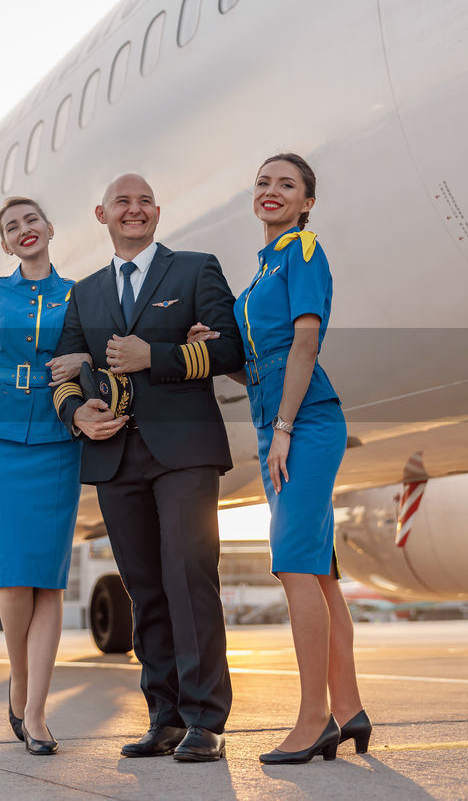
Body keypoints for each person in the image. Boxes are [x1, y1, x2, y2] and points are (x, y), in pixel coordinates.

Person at [51, 174, 244, 762]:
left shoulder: (195, 269)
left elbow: (232, 348)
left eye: (142, 202)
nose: (133, 211)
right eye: (121, 203)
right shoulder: (83, 294)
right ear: (101, 214)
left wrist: (152, 356)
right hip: (116, 457)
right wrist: (78, 416)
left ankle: (205, 720)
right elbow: (60, 376)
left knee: (190, 578)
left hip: (184, 451)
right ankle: (163, 717)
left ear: (157, 211)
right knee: (145, 590)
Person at [194, 152, 368, 764]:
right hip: (279, 423)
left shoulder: (303, 250)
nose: (272, 191)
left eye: (286, 184)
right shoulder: (260, 273)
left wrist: (287, 427)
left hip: (307, 422)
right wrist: (218, 347)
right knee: (319, 571)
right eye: (264, 182)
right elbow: (256, 368)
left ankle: (313, 719)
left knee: (294, 564)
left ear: (306, 201)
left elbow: (306, 338)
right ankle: (348, 710)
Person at [0, 196, 88, 756]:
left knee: (49, 580)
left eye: (32, 220)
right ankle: (18, 677)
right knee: (13, 578)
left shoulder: (80, 295)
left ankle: (35, 712)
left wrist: (80, 363)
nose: (24, 230)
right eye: (12, 227)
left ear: (51, 229)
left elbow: (99, 357)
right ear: (6, 244)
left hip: (58, 439)